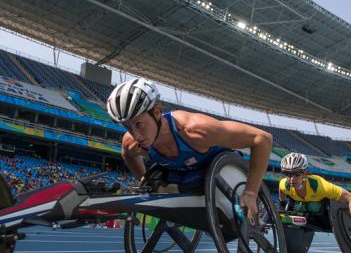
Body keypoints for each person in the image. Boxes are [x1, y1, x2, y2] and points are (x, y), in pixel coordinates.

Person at [107, 78, 272, 222]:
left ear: (157, 112)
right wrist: (144, 179)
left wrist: (251, 193)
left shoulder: (195, 130)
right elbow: (127, 154)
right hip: (183, 174)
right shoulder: (131, 142)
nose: (136, 135)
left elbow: (262, 139)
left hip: (222, 173)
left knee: (192, 180)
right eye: (128, 127)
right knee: (159, 181)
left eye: (139, 124)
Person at [277, 152, 351, 241]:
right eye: (288, 174)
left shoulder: (321, 186)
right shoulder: (284, 184)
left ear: (305, 173)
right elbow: (281, 191)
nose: (292, 179)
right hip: (303, 212)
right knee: (298, 206)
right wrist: (282, 204)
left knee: (314, 206)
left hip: (324, 217)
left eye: (296, 174)